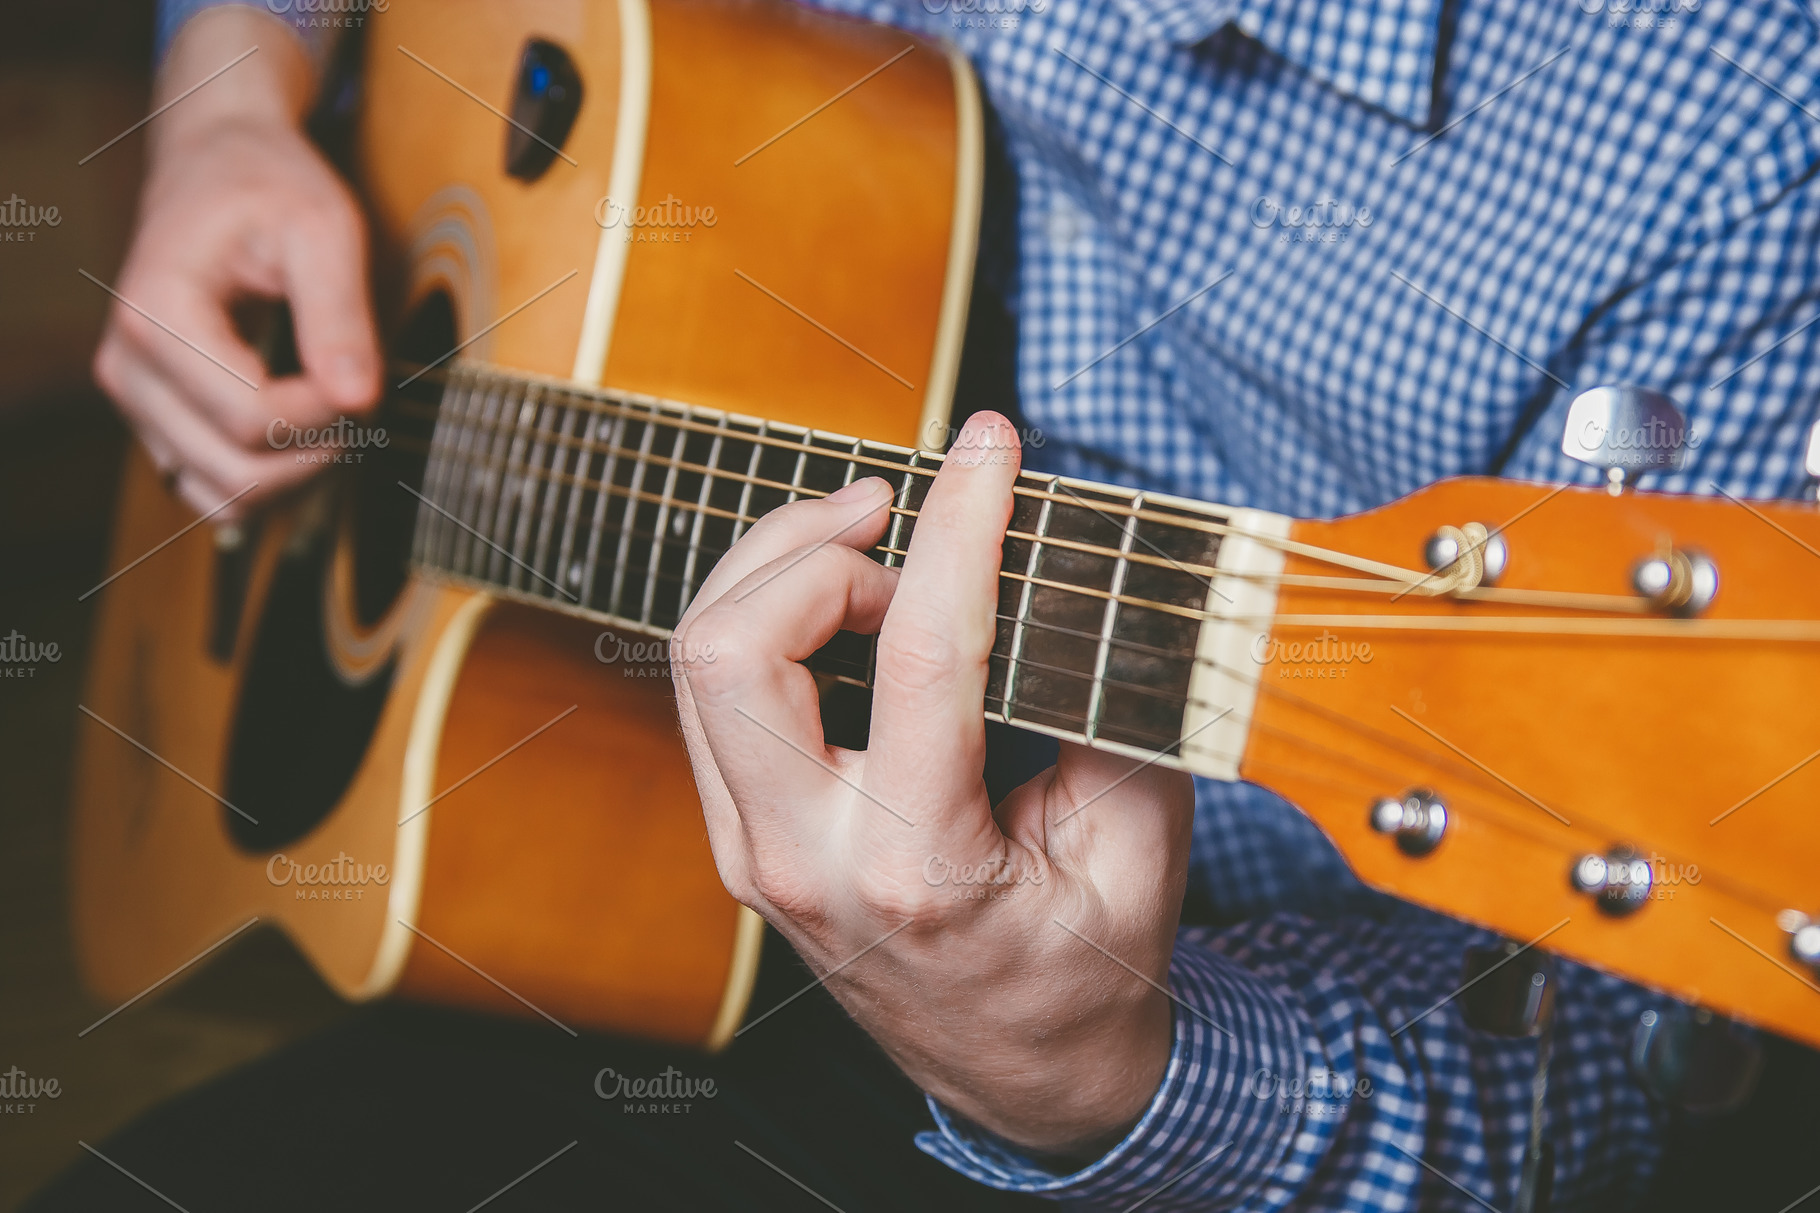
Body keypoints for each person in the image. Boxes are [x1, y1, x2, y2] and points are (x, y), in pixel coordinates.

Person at [46, 0, 1820, 1209]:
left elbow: (1642, 1064)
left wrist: (1090, 1064)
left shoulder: (1750, 140)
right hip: (598, 831)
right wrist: (227, 95)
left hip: (1089, 1016)